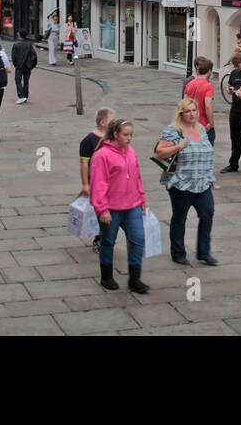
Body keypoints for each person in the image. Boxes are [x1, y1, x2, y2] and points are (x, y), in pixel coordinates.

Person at [154, 99, 218, 266]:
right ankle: (178, 253)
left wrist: (210, 177)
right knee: (180, 218)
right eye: (188, 111)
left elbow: (207, 154)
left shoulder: (201, 129)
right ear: (181, 113)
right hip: (181, 184)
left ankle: (204, 253)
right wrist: (179, 146)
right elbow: (159, 153)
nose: (192, 114)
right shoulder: (173, 131)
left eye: (194, 110)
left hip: (202, 183)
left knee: (207, 213)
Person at [90, 118, 149, 294]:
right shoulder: (102, 155)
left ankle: (134, 279)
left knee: (138, 239)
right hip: (111, 208)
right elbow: (98, 184)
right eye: (125, 135)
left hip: (132, 206)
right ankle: (106, 276)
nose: (129, 138)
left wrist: (142, 199)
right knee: (108, 241)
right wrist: (102, 209)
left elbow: (137, 176)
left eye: (131, 135)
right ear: (115, 134)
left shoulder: (131, 152)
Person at [219, 53, 241, 175]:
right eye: (235, 66)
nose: (236, 68)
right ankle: (233, 164)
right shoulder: (233, 73)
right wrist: (230, 90)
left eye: (238, 66)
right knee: (235, 139)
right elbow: (229, 85)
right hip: (235, 110)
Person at [80, 107, 116, 198]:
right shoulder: (88, 140)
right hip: (97, 180)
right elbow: (84, 162)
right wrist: (85, 185)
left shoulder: (114, 137)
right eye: (112, 122)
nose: (115, 124)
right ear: (102, 123)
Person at [183, 56, 216, 146]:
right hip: (204, 125)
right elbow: (208, 105)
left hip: (191, 124)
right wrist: (210, 123)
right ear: (209, 71)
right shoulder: (208, 86)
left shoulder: (189, 84)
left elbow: (184, 104)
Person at [10, 32, 37, 104]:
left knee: (18, 80)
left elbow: (13, 56)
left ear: (19, 35)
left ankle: (21, 96)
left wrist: (16, 65)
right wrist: (32, 65)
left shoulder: (16, 44)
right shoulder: (30, 44)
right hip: (28, 66)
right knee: (26, 81)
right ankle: (25, 95)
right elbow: (34, 55)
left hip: (19, 66)